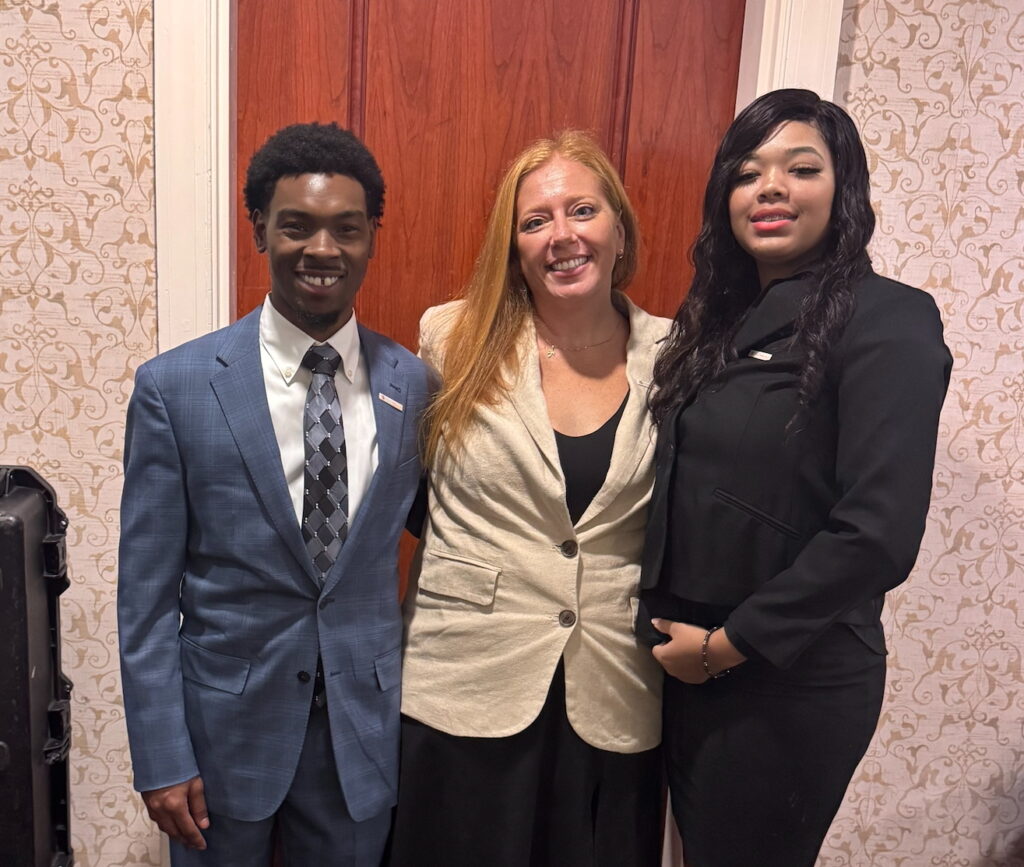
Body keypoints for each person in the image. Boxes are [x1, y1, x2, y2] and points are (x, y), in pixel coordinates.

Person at [638, 88, 952, 866]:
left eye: (800, 168)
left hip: (785, 675)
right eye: (747, 173)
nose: (770, 187)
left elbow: (878, 532)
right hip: (686, 664)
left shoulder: (889, 318)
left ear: (843, 189)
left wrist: (728, 645)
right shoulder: (713, 326)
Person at [117, 122, 432, 866]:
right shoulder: (176, 389)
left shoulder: (412, 384)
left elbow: (446, 535)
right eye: (297, 226)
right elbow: (146, 600)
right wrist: (161, 754)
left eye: (346, 229)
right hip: (222, 739)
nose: (322, 249)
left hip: (362, 734)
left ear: (370, 239)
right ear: (259, 228)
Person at [387, 131, 670, 867]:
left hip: (612, 692)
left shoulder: (678, 357)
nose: (562, 235)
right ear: (513, 245)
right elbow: (410, 492)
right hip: (465, 683)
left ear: (619, 226)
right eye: (535, 220)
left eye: (582, 209)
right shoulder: (452, 339)